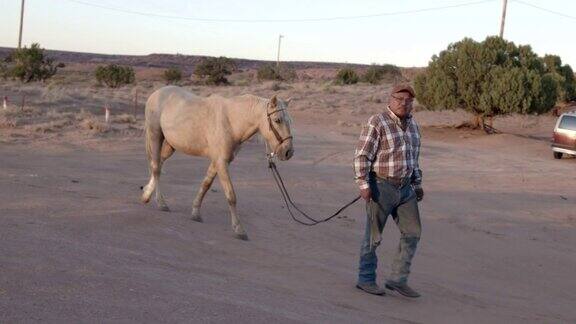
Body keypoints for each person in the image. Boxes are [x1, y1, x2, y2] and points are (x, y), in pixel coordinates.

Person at [353, 84, 423, 298]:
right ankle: (365, 280)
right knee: (373, 236)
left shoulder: (413, 126)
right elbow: (362, 155)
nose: (404, 103)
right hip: (381, 186)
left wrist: (417, 184)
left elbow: (414, 158)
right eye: (399, 99)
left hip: (406, 188)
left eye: (408, 100)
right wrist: (363, 185)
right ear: (390, 99)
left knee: (413, 233)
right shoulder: (377, 122)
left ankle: (398, 279)